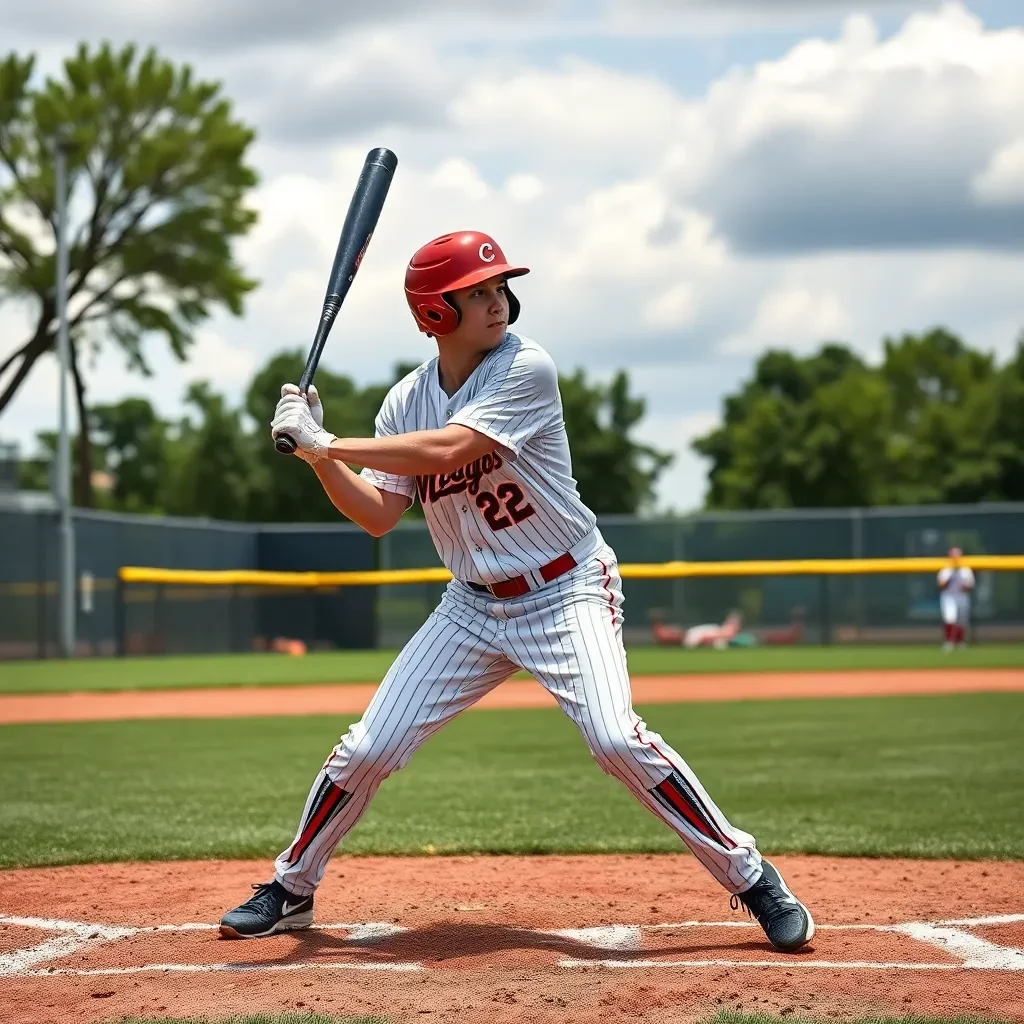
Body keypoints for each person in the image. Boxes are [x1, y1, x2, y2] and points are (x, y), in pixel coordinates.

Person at [219, 230, 815, 953]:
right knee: (368, 748)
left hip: (565, 591)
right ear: (435, 314)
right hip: (471, 605)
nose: (496, 301)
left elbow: (452, 448)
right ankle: (291, 887)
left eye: (498, 287)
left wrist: (325, 441)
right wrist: (318, 459)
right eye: (476, 293)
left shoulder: (525, 367)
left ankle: (753, 878)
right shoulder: (403, 403)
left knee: (614, 738)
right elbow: (378, 515)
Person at [937, 546, 974, 651]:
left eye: (958, 555)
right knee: (950, 619)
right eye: (953, 555)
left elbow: (970, 586)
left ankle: (960, 641)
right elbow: (941, 585)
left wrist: (964, 585)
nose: (956, 557)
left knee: (962, 621)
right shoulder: (946, 569)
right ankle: (949, 642)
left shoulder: (966, 570)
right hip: (948, 597)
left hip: (962, 596)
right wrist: (950, 577)